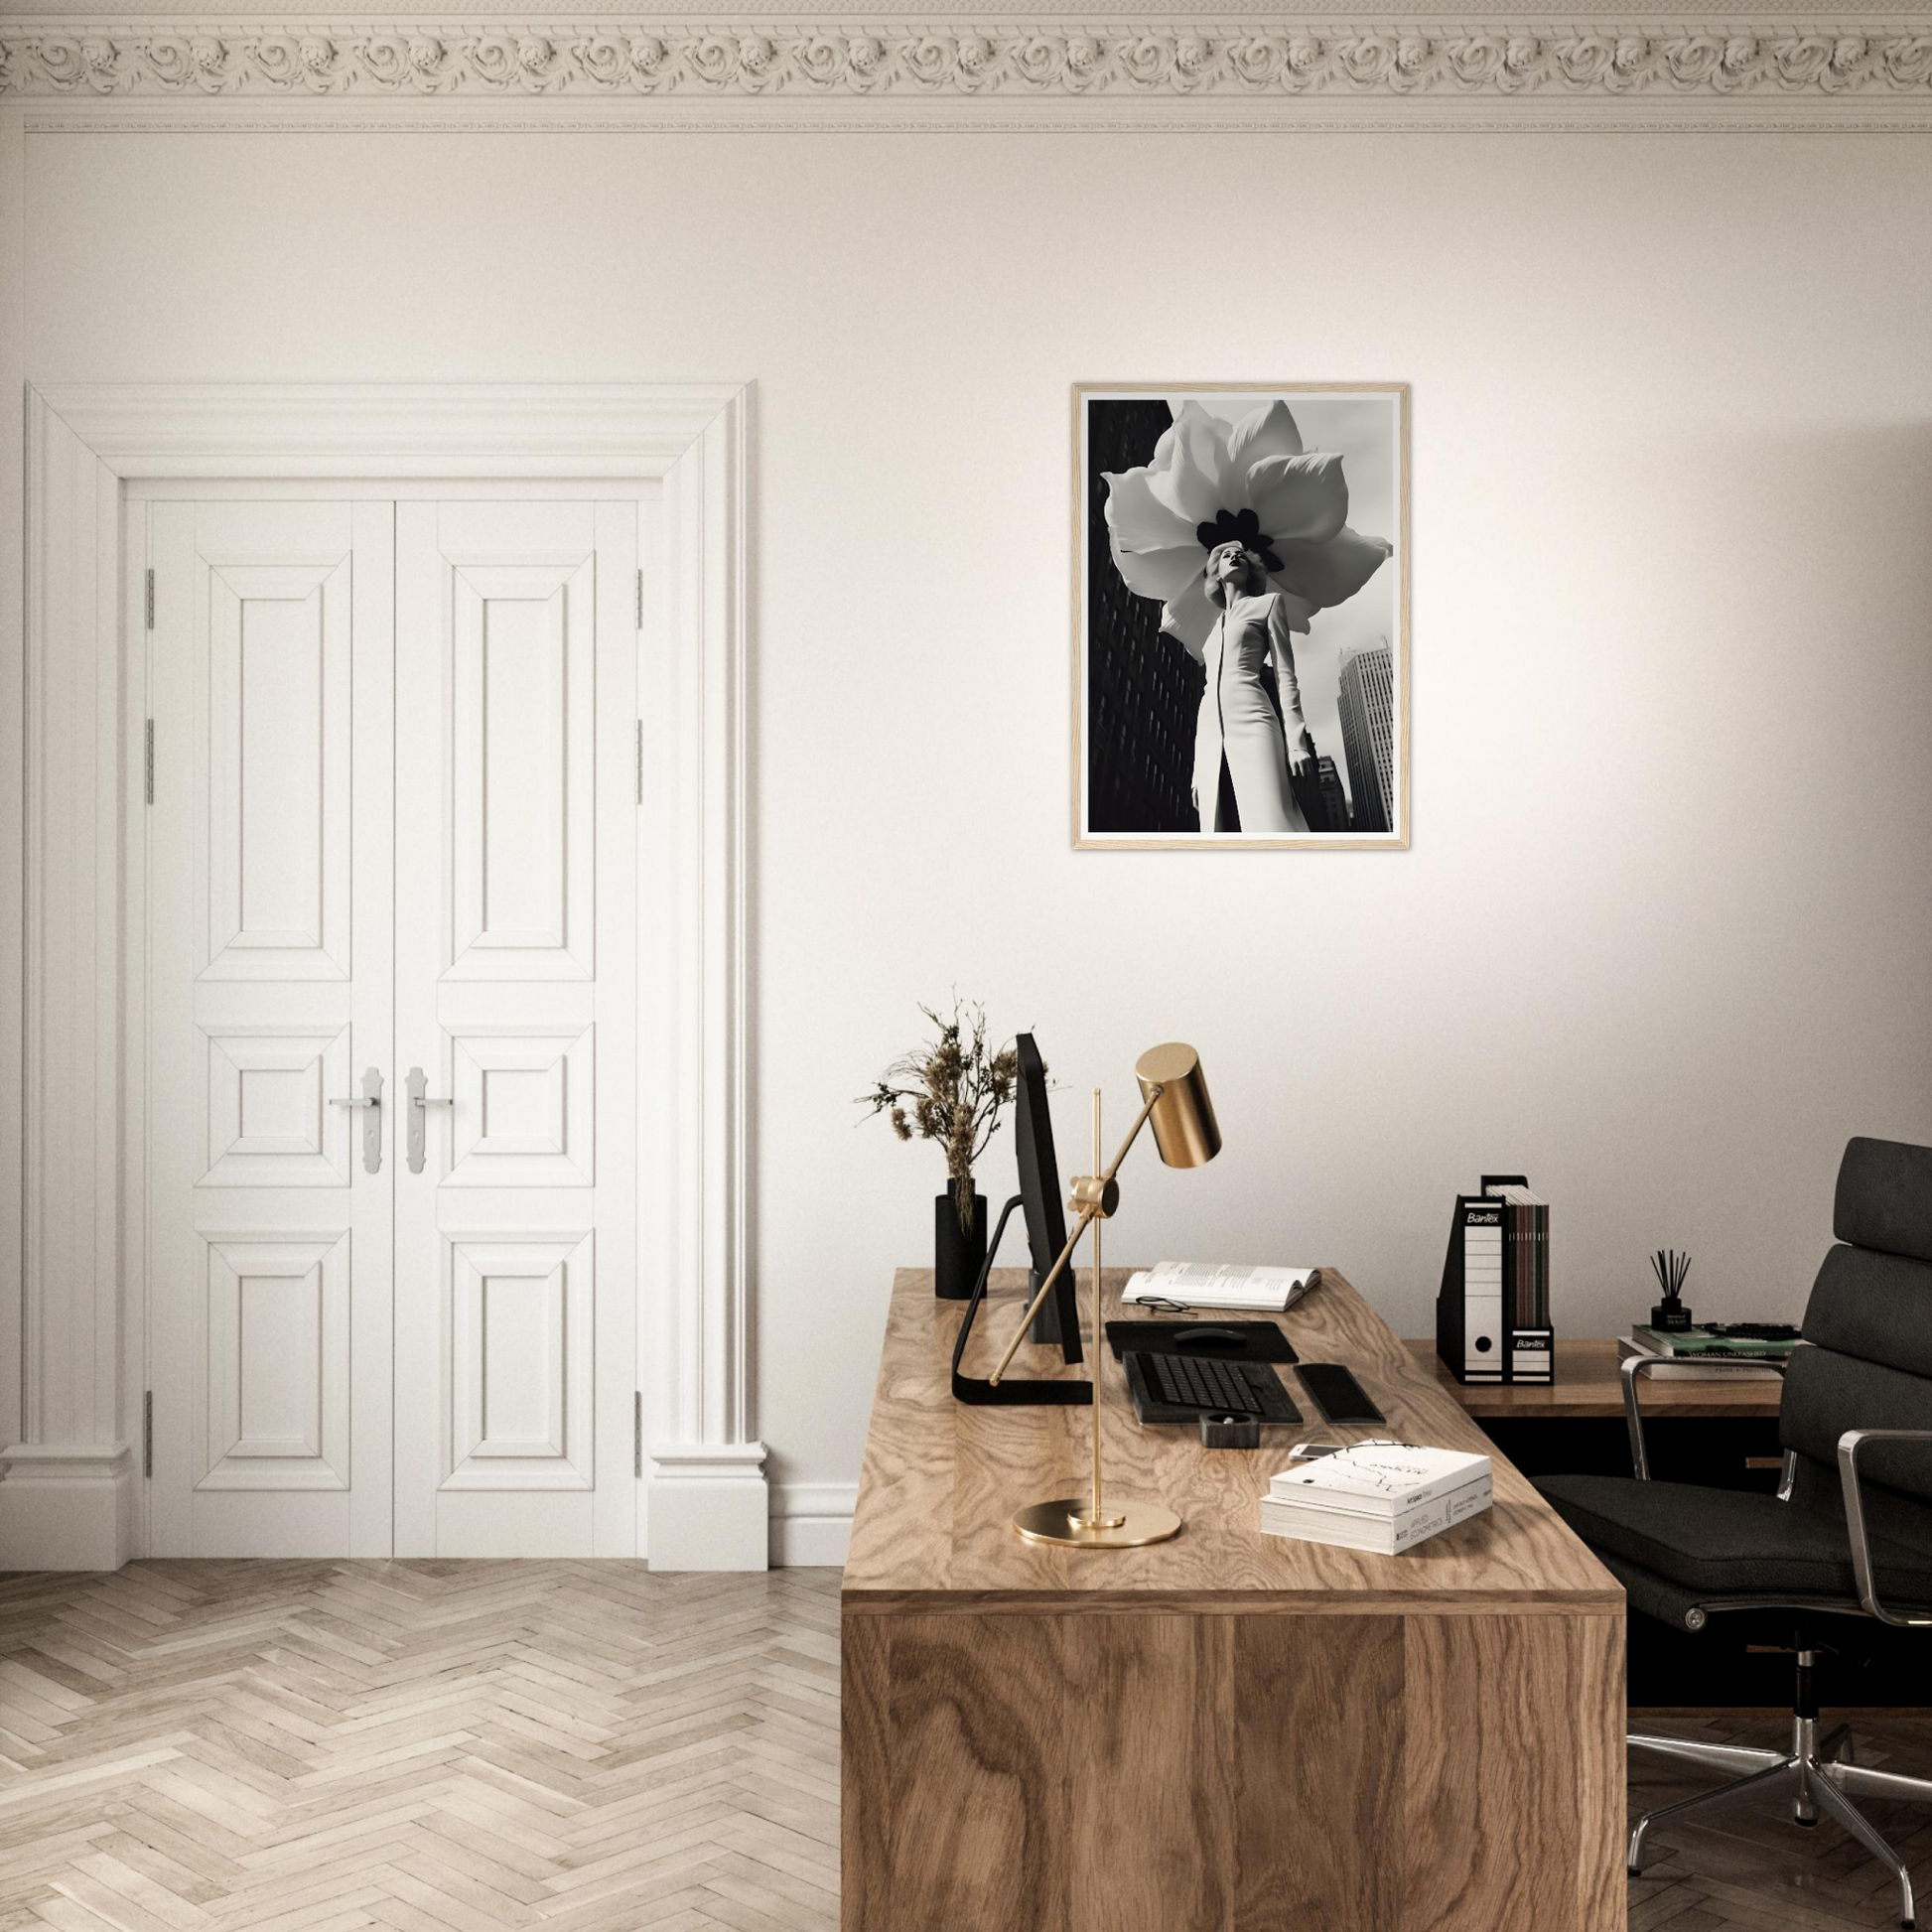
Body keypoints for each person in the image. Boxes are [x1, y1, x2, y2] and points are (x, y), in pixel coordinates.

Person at [1192, 540, 1315, 835]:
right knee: (1218, 829)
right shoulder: (1211, 631)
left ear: (1250, 572)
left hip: (1254, 719)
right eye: (1225, 555)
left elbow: (1286, 674)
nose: (1234, 556)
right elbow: (1209, 692)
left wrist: (1296, 742)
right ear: (1216, 574)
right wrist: (1198, 769)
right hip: (1210, 733)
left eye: (1241, 557)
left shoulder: (1269, 603)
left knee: (1272, 819)